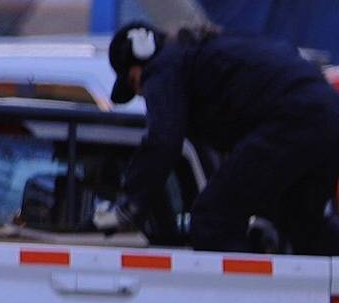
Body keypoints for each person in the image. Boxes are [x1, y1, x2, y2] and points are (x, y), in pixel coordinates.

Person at [109, 21, 339, 258]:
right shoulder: (208, 53)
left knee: (213, 219)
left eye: (135, 84)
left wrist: (130, 205)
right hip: (328, 115)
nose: (142, 93)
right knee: (304, 224)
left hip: (292, 119)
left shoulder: (163, 66)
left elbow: (163, 141)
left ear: (139, 62)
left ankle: (247, 294)